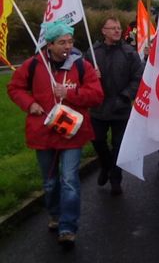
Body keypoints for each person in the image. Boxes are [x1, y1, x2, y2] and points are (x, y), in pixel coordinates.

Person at [7, 21, 103, 249]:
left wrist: (70, 93)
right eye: (61, 42)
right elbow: (14, 88)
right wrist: (29, 104)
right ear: (49, 44)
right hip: (44, 133)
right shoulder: (33, 65)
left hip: (72, 135)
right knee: (50, 184)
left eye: (70, 42)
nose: (67, 46)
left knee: (70, 180)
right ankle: (55, 214)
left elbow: (97, 95)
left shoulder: (82, 66)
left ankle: (68, 227)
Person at [86, 17, 143, 196]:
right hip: (98, 107)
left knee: (119, 146)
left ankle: (115, 178)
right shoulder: (92, 52)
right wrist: (90, 75)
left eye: (118, 28)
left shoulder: (129, 52)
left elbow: (138, 78)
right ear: (103, 31)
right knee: (98, 140)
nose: (117, 31)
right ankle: (105, 165)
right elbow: (80, 76)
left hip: (121, 107)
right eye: (112, 28)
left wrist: (125, 96)